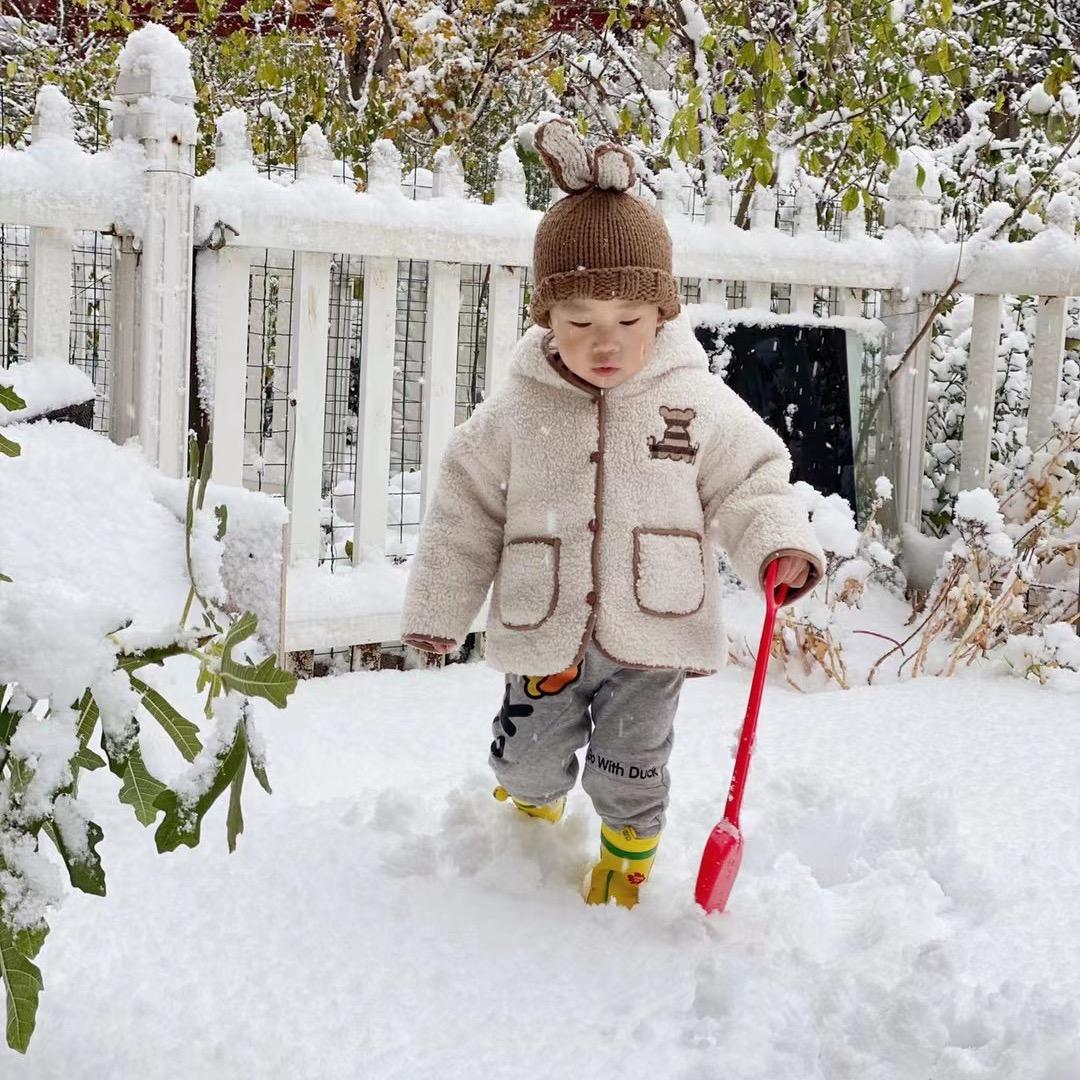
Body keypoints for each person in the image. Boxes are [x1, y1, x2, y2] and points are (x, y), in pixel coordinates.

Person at [401, 117, 825, 908]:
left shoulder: (692, 400)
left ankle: (625, 869)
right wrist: (438, 607)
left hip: (653, 632)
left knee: (633, 767)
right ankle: (529, 821)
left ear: (660, 315)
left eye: (628, 322)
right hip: (543, 624)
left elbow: (751, 478)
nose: (606, 343)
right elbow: (466, 508)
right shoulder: (518, 409)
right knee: (525, 758)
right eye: (579, 323)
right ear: (545, 319)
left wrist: (776, 543)